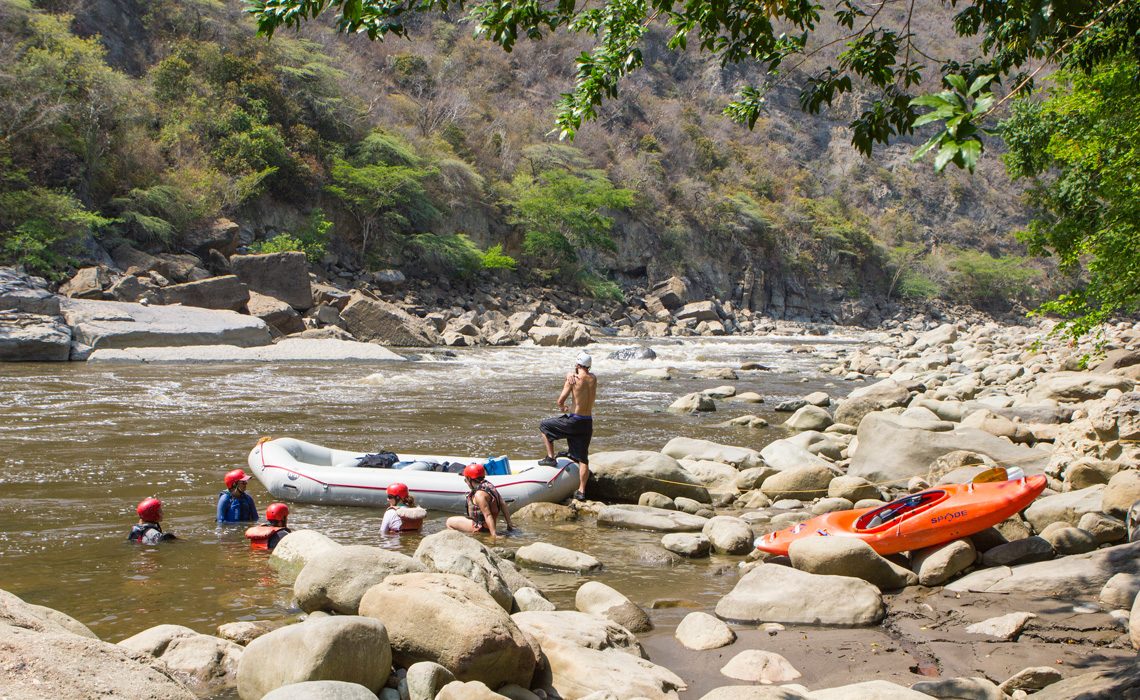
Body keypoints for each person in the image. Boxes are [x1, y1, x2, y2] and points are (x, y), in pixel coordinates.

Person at [538, 351, 596, 500]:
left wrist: (562, 407)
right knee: (583, 458)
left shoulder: (573, 380)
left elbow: (560, 400)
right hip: (587, 422)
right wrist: (569, 373)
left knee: (544, 426)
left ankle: (551, 458)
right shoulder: (594, 379)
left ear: (577, 364)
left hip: (575, 420)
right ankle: (582, 491)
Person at [445, 463, 513, 537]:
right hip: (487, 524)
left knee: (449, 522)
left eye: (465, 479)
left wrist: (494, 534)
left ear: (469, 479)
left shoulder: (479, 495)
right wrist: (509, 524)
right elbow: (502, 504)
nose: (465, 482)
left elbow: (488, 515)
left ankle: (466, 538)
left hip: (480, 527)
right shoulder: (489, 486)